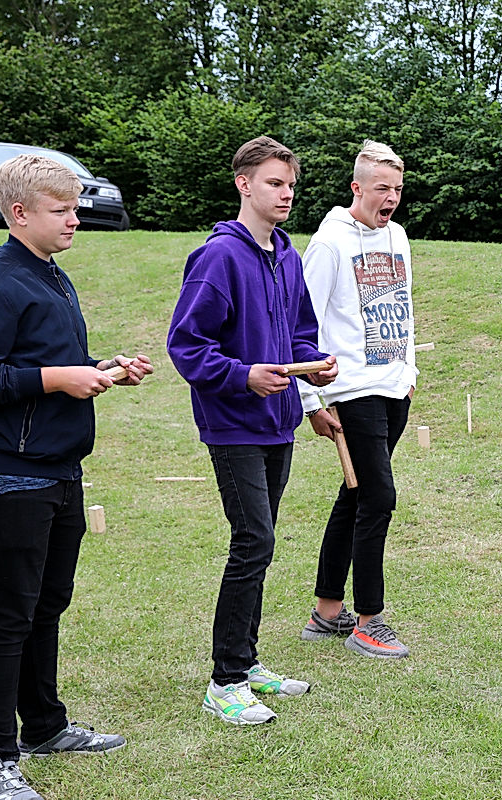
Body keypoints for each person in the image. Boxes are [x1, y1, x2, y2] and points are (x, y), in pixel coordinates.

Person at [0, 154, 152, 800]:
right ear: (19, 213)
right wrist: (58, 379)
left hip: (59, 470)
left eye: (75, 207)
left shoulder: (51, 275)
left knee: (48, 604)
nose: (76, 219)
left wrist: (102, 367)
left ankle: (42, 726)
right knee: (6, 613)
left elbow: (49, 364)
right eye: (62, 209)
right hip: (6, 477)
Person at [167, 136, 337, 725]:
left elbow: (300, 332)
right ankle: (225, 680)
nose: (285, 194)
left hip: (277, 422)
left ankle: (248, 660)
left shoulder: (288, 256)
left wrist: (312, 361)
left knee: (260, 546)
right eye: (273, 183)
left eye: (290, 184)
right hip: (233, 423)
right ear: (244, 184)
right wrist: (243, 377)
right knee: (254, 541)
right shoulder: (218, 258)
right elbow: (186, 345)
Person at [298, 140, 417, 658]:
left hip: (394, 387)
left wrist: (409, 370)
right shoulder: (329, 243)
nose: (389, 198)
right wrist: (309, 399)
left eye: (396, 189)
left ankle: (327, 611)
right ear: (357, 188)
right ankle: (369, 621)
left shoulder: (398, 237)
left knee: (357, 495)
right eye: (380, 189)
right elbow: (302, 322)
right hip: (351, 389)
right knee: (379, 498)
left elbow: (404, 306)